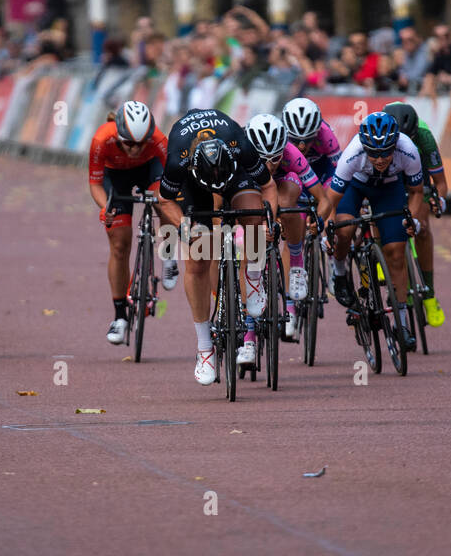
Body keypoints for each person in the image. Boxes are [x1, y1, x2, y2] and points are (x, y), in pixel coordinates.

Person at [157, 108, 275, 385]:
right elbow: (164, 201)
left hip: (235, 176)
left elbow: (268, 186)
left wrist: (270, 222)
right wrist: (184, 226)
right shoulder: (179, 160)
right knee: (198, 257)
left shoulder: (238, 142)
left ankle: (254, 279)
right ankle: (204, 349)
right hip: (194, 188)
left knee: (254, 218)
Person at [326, 111, 425, 349]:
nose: (380, 159)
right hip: (356, 187)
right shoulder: (352, 154)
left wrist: (410, 219)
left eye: (385, 152)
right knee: (345, 229)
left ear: (395, 144)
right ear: (364, 147)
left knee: (396, 253)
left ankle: (401, 324)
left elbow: (416, 192)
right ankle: (339, 271)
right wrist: (329, 228)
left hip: (389, 190)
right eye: (374, 153)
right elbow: (330, 201)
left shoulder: (408, 150)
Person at [87, 101, 177, 345]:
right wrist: (106, 208)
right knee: (119, 245)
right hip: (115, 177)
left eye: (141, 143)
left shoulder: (158, 140)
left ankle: (169, 255)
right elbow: (95, 184)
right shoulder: (101, 139)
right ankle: (119, 317)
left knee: (163, 201)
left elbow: (172, 182)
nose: (135, 149)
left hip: (150, 170)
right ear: (118, 135)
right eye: (129, 143)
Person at [244, 112, 330, 345]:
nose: (270, 165)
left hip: (284, 188)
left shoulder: (292, 154)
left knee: (290, 198)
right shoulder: (240, 155)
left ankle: (296, 262)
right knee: (246, 246)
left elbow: (323, 199)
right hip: (250, 188)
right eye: (263, 159)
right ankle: (248, 335)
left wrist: (319, 221)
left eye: (275, 158)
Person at [383, 101, 448, 329]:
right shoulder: (379, 131)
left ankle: (429, 293)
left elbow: (440, 182)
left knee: (422, 226)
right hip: (389, 175)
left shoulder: (424, 136)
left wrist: (438, 200)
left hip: (417, 177)